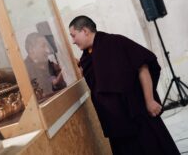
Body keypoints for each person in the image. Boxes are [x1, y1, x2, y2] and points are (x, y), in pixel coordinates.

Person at [69, 15, 180, 155]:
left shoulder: (115, 42)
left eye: (73, 36)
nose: (73, 41)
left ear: (85, 31)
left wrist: (150, 100)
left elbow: (143, 67)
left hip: (136, 116)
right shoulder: (87, 57)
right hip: (116, 125)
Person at [24, 32, 66, 100]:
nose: (48, 50)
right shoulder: (25, 71)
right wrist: (56, 82)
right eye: (43, 46)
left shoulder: (47, 63)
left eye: (47, 46)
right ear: (31, 50)